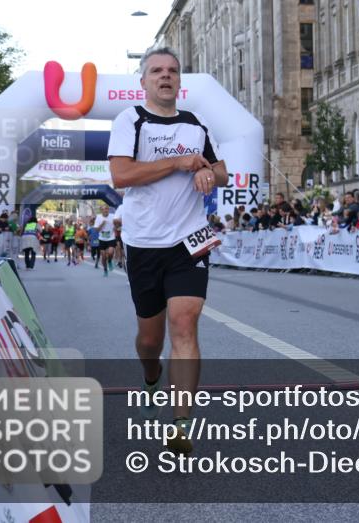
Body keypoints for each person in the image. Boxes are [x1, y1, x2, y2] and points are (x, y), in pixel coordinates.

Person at [108, 47, 228, 455]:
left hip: (188, 241)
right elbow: (121, 175)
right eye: (157, 71)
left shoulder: (195, 123)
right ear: (143, 81)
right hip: (144, 242)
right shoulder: (131, 120)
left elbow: (222, 170)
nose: (165, 76)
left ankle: (181, 423)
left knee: (184, 323)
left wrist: (207, 172)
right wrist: (178, 163)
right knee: (149, 340)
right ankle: (151, 377)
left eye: (172, 71)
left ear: (180, 81)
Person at [93, 205, 117, 276]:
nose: (105, 210)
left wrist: (116, 226)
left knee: (110, 252)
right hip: (102, 239)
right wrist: (102, 224)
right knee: (103, 257)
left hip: (111, 238)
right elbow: (96, 230)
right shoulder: (98, 217)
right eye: (103, 209)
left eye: (107, 209)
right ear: (101, 211)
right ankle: (105, 270)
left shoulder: (113, 216)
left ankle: (109, 261)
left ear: (108, 210)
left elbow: (117, 224)